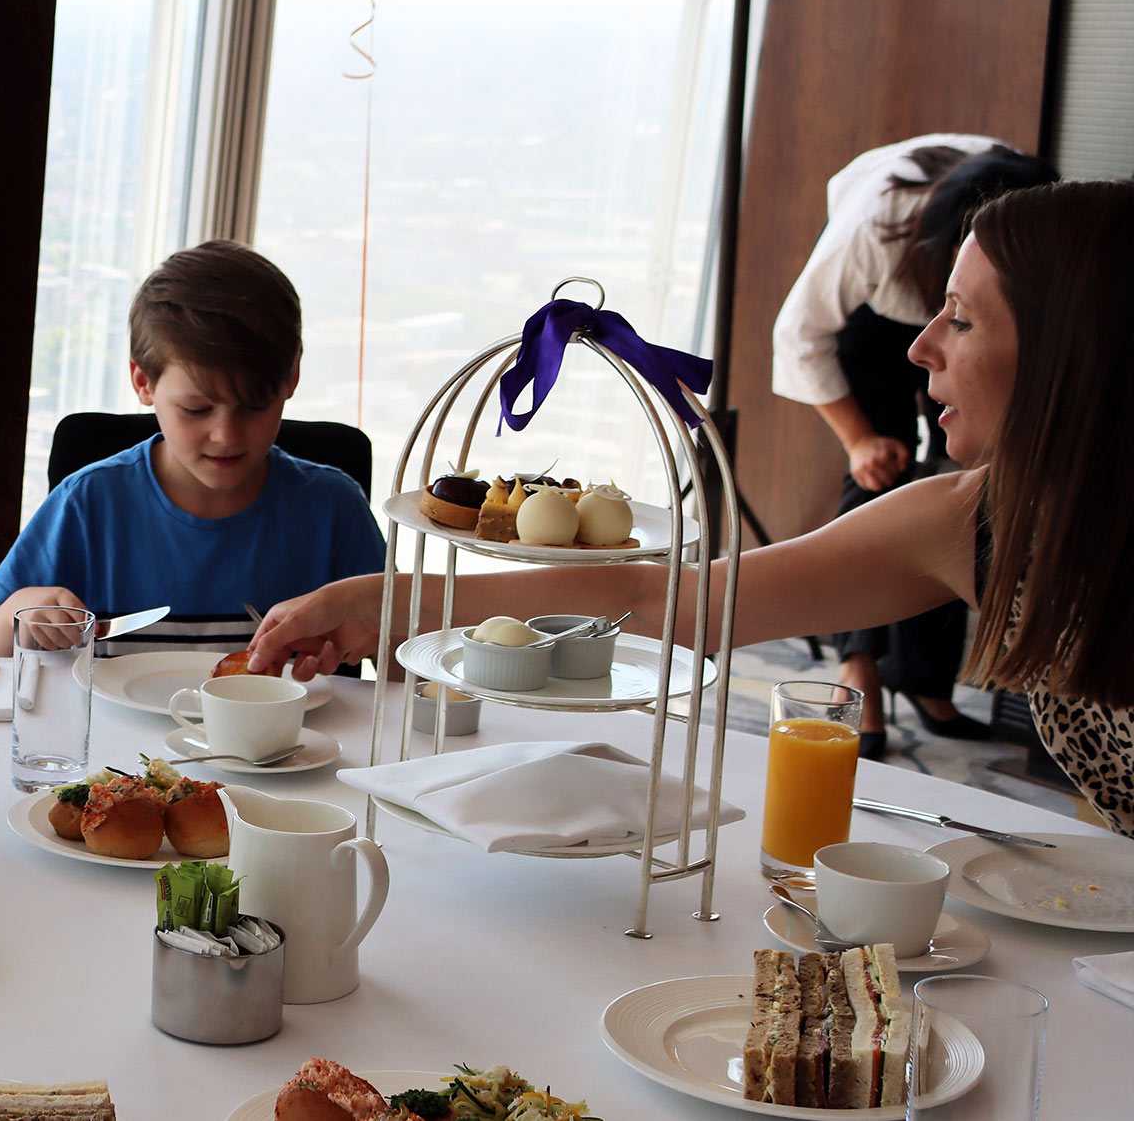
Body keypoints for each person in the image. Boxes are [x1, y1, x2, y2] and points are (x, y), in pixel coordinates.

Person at [248, 180, 1134, 838]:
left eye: (964, 321)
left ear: (1071, 358)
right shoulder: (977, 518)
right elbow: (678, 602)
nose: (920, 346)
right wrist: (385, 603)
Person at [770, 134, 1058, 756]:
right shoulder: (875, 230)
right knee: (880, 468)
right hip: (873, 319)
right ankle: (860, 668)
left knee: (955, 484)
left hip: (972, 315)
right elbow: (797, 335)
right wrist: (858, 439)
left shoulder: (1027, 211)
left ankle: (925, 679)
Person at [0, 241, 385, 659]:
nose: (226, 435)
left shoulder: (334, 509)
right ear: (143, 382)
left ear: (291, 377)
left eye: (255, 406)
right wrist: (18, 614)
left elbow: (410, 666)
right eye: (196, 409)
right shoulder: (88, 504)